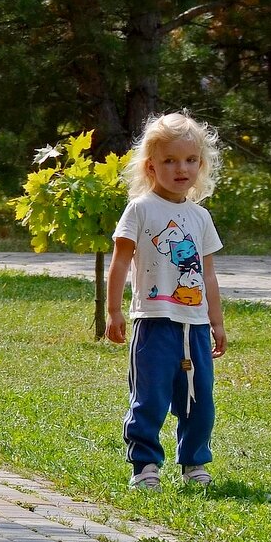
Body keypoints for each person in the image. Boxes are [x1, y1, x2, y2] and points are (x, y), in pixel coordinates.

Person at [106, 110, 227, 490]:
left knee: (199, 401)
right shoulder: (140, 210)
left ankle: (194, 464)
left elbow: (208, 275)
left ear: (201, 166)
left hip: (195, 325)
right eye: (170, 160)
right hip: (154, 321)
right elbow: (121, 261)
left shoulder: (200, 217)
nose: (181, 168)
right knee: (150, 398)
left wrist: (217, 322)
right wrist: (113, 311)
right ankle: (144, 466)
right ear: (151, 166)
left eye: (191, 160)